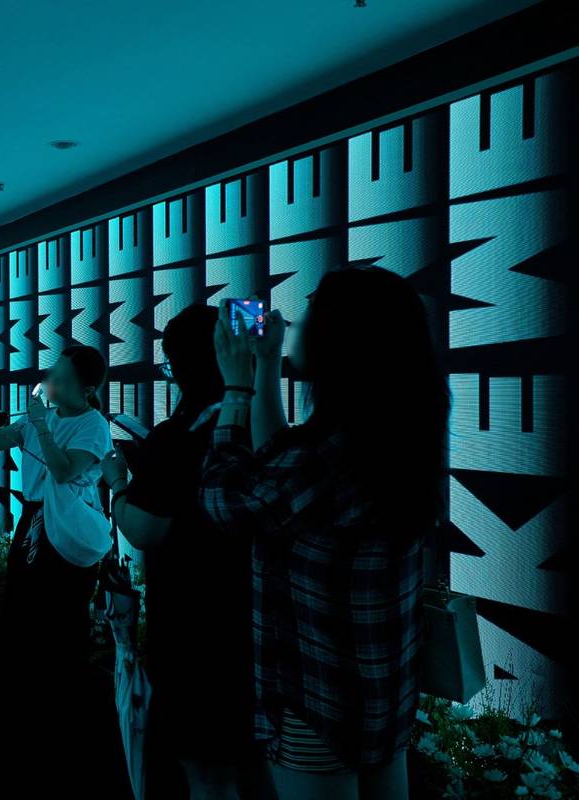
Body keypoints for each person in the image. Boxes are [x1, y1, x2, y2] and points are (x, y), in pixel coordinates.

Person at [199, 267, 448, 800]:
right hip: (382, 694)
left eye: (312, 313)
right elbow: (278, 468)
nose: (296, 324)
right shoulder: (389, 436)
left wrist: (236, 389)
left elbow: (229, 505)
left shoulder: (328, 454)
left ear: (343, 340)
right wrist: (266, 367)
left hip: (317, 697)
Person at [100, 305, 254, 800]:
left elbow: (145, 529)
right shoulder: (261, 426)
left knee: (204, 769)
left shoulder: (180, 437)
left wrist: (120, 485)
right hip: (252, 619)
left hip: (192, 623)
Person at [0, 344, 113, 773]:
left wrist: (41, 424)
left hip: (67, 527)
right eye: (52, 373)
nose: (51, 380)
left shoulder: (93, 425)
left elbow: (64, 471)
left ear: (86, 387)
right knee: (22, 612)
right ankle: (18, 711)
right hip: (33, 523)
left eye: (61, 376)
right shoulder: (36, 419)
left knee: (62, 619)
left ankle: (59, 720)